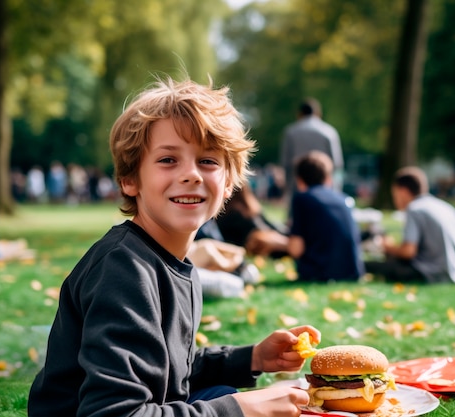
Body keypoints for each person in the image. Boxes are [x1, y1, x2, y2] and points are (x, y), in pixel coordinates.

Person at [27, 76, 320, 417]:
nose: (191, 174)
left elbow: (169, 368)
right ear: (130, 179)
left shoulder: (178, 264)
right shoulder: (123, 270)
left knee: (223, 393)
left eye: (208, 161)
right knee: (230, 402)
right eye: (168, 160)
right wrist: (238, 409)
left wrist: (253, 357)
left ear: (228, 184)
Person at [364, 166, 455, 285]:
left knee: (369, 265)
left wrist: (388, 247)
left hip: (430, 273)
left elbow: (408, 252)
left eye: (395, 195)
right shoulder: (446, 207)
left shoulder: (414, 208)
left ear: (402, 191)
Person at [287, 151, 364, 282]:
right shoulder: (344, 199)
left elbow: (296, 249)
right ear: (328, 178)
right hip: (353, 272)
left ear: (299, 180)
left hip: (319, 273)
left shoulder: (302, 199)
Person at [280, 98, 344, 201]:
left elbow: (286, 163)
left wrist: (288, 188)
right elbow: (337, 163)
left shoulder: (291, 132)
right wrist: (336, 190)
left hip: (298, 184)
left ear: (299, 114)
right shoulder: (329, 132)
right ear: (318, 113)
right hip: (324, 185)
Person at [215, 183, 290, 258]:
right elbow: (255, 234)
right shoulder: (235, 213)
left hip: (268, 236)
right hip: (258, 241)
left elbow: (269, 225)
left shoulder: (248, 207)